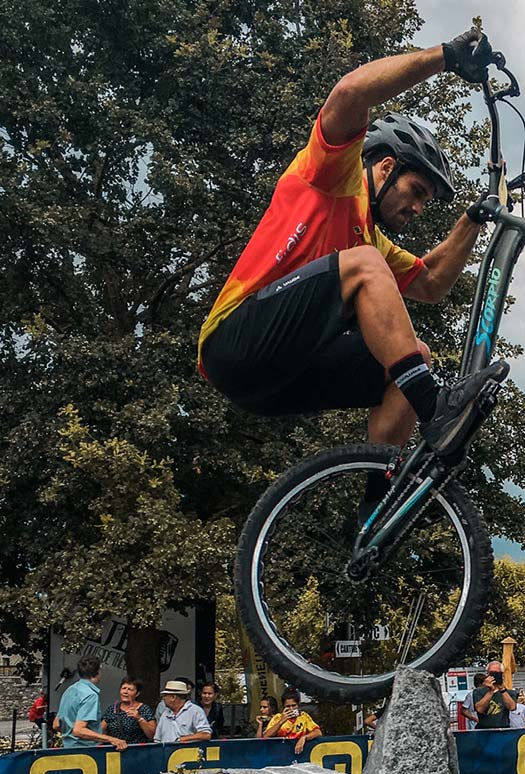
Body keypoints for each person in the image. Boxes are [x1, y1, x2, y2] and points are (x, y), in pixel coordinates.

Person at [198, 25, 508, 516]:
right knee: (366, 270)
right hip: (232, 345)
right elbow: (349, 92)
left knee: (412, 361)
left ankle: (375, 510)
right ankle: (436, 410)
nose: (419, 209)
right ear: (384, 168)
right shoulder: (329, 179)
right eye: (417, 191)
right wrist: (444, 57)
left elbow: (431, 283)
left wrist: (474, 219)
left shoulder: (371, 243)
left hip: (278, 378)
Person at [263, 688, 323, 755]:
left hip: (298, 752)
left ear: (298, 705)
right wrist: (281, 721)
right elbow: (265, 736)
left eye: (293, 705)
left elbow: (318, 732)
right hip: (280, 753)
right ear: (283, 707)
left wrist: (304, 738)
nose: (291, 709)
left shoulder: (303, 716)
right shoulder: (278, 717)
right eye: (288, 706)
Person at [154, 679, 212, 744]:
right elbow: (157, 739)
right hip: (165, 753)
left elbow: (206, 734)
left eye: (165, 695)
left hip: (188, 753)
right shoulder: (165, 714)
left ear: (173, 697)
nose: (163, 698)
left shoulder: (195, 711)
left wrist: (181, 740)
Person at [101, 678, 156, 745]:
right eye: (123, 688)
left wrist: (139, 719)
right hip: (116, 751)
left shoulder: (144, 709)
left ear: (137, 694)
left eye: (130, 689)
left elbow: (152, 735)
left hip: (137, 751)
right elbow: (101, 731)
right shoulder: (112, 709)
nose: (125, 692)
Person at [472, 662, 516, 729]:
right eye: (492, 673)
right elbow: (479, 709)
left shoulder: (509, 693)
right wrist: (491, 691)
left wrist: (502, 689)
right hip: (484, 730)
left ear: (502, 674)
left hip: (503, 729)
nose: (494, 676)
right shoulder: (478, 691)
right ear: (487, 674)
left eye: (497, 673)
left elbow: (512, 707)